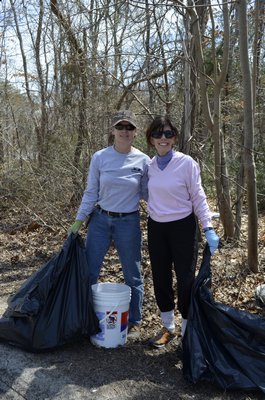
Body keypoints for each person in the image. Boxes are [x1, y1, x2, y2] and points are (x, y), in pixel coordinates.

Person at [68, 110, 150, 339]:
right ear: (112, 131)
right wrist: (78, 220)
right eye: (120, 127)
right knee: (90, 271)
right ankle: (85, 317)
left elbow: (148, 195)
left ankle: (133, 320)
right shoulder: (100, 157)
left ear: (135, 132)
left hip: (129, 221)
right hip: (100, 220)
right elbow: (91, 192)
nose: (124, 131)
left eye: (129, 127)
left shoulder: (143, 160)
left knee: (132, 274)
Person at [145, 115, 219, 348]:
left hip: (183, 227)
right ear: (151, 139)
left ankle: (188, 328)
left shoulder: (186, 163)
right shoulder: (149, 166)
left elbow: (198, 196)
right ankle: (168, 327)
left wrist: (207, 226)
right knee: (161, 276)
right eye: (158, 134)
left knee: (185, 278)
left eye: (168, 134)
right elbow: (145, 194)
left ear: (175, 138)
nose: (163, 138)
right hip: (157, 227)